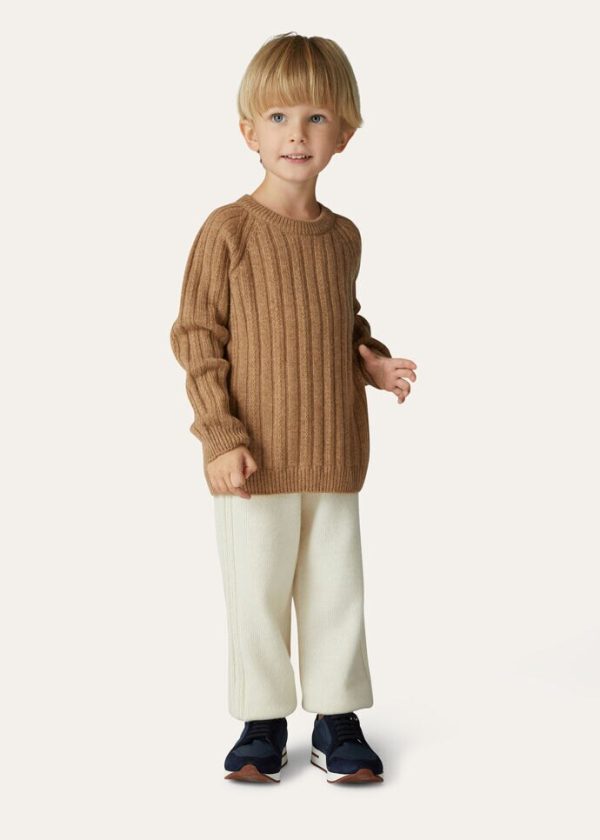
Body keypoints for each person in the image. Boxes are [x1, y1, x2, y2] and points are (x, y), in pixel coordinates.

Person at [170, 32, 417, 784]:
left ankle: (337, 718)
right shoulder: (229, 229)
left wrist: (372, 361)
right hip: (255, 458)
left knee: (337, 592)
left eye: (316, 117)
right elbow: (198, 336)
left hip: (334, 449)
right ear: (249, 131)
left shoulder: (343, 237)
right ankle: (263, 719)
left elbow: (341, 321)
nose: (296, 134)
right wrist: (220, 436)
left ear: (345, 134)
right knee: (257, 593)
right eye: (278, 116)